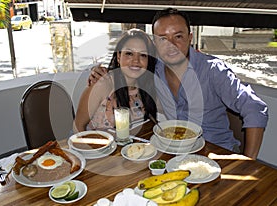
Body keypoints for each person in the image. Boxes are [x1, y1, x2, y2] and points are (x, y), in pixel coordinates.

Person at [88, 8, 268, 159]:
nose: (171, 45)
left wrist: (248, 162)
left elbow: (255, 108)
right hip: (174, 152)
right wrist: (104, 74)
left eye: (178, 36)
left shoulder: (213, 71)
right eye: (163, 39)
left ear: (190, 38)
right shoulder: (153, 70)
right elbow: (129, 70)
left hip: (216, 153)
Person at [74, 29, 157, 132]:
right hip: (96, 146)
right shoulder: (103, 83)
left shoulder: (147, 87)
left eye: (143, 55)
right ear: (118, 56)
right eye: (129, 53)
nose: (136, 60)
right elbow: (78, 126)